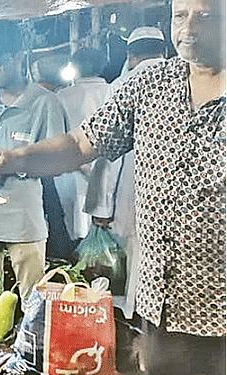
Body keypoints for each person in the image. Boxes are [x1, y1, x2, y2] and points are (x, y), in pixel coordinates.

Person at [0, 0, 225, 375]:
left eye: (205, 15)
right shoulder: (151, 84)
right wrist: (16, 158)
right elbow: (79, 143)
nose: (188, 28)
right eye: (180, 15)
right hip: (169, 303)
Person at [0, 20, 70, 302]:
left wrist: (15, 164)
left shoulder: (46, 103)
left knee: (33, 300)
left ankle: (31, 346)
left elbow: (57, 163)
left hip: (24, 217)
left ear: (19, 56)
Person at [85, 26, 167, 320]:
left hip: (128, 190)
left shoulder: (123, 85)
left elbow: (108, 153)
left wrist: (102, 205)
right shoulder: (185, 80)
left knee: (128, 258)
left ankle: (127, 322)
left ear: (130, 55)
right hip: (170, 196)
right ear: (165, 51)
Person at [54, 47, 113, 245]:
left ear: (73, 67)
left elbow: (58, 137)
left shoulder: (61, 97)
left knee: (72, 226)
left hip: (69, 171)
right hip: (107, 170)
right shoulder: (113, 92)